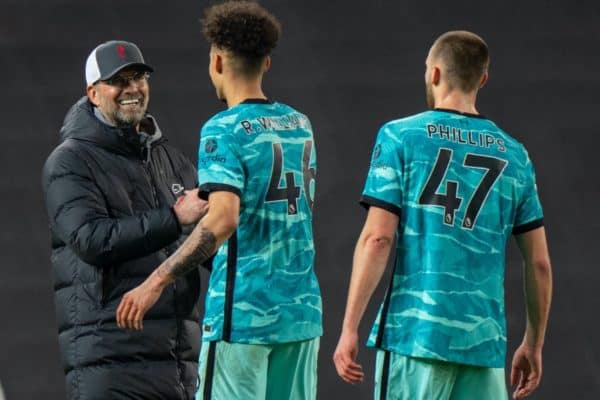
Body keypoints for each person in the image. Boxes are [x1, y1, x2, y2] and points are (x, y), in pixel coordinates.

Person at [116, 2, 322, 400]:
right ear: (266, 63)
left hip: (243, 319)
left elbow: (223, 220)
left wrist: (156, 281)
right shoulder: (300, 124)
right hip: (302, 316)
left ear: (217, 61)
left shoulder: (223, 130)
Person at [333, 31, 553, 400]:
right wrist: (533, 344)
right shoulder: (516, 155)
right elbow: (540, 263)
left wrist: (349, 327)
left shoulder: (400, 137)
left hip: (414, 337)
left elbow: (378, 237)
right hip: (484, 346)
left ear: (433, 73)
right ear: (482, 79)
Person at [42, 40, 208, 399]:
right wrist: (175, 217)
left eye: (138, 77)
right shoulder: (69, 162)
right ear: (93, 93)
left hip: (180, 364)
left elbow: (204, 243)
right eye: (119, 80)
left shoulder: (170, 160)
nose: (132, 88)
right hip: (111, 365)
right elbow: (91, 239)